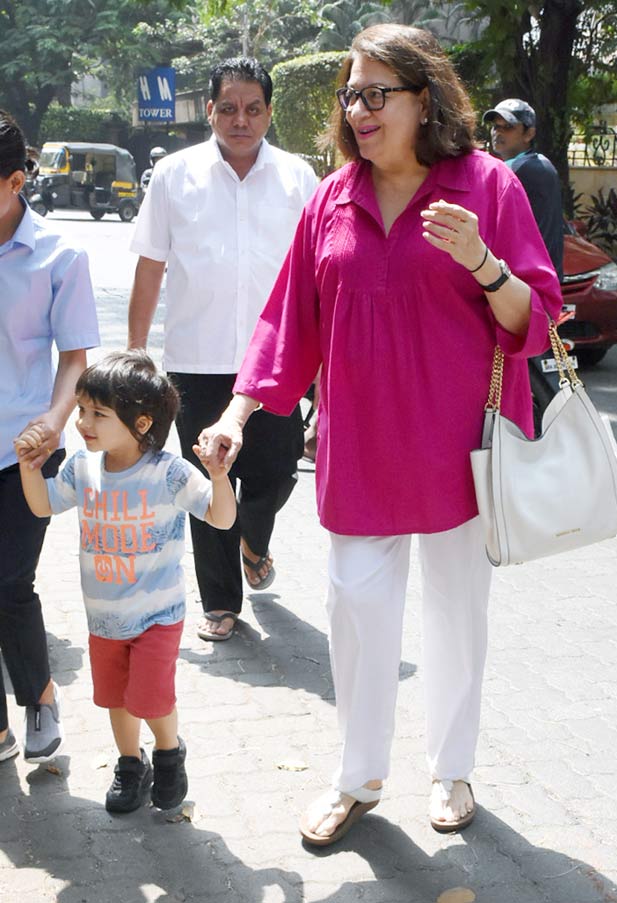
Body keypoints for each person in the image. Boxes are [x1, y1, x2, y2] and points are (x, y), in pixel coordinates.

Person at [197, 24, 563, 845]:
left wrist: (484, 263)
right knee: (357, 611)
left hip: (461, 448)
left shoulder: (487, 186)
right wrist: (235, 414)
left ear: (424, 100)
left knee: (457, 612)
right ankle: (357, 776)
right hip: (360, 447)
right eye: (350, 95)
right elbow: (289, 320)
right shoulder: (333, 197)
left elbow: (535, 318)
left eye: (376, 94)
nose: (359, 111)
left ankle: (452, 768)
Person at [128, 57, 319, 642]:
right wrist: (134, 354)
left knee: (278, 471)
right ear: (210, 109)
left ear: (269, 112)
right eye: (229, 108)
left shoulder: (298, 178)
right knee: (207, 480)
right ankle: (220, 601)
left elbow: (317, 273)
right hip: (196, 361)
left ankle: (253, 539)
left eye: (253, 109)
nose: (241, 120)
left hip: (277, 361)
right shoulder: (173, 175)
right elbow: (150, 266)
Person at [14, 351, 236, 813]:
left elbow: (220, 517)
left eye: (98, 413)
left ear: (141, 423)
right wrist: (28, 467)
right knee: (117, 698)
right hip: (104, 618)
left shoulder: (169, 472)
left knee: (151, 698)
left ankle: (169, 753)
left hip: (158, 615)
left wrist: (218, 477)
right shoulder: (82, 467)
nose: (82, 422)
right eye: (81, 410)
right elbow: (43, 505)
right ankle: (130, 764)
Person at [0, 110, 99, 767]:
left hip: (25, 451)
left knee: (9, 581)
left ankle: (39, 698)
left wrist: (56, 421)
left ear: (15, 182)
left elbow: (75, 357)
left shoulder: (60, 255)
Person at [483, 98, 564, 279]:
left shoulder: (522, 170)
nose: (498, 132)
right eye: (495, 126)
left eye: (508, 127)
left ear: (529, 134)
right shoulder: (537, 164)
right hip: (532, 280)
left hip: (527, 283)